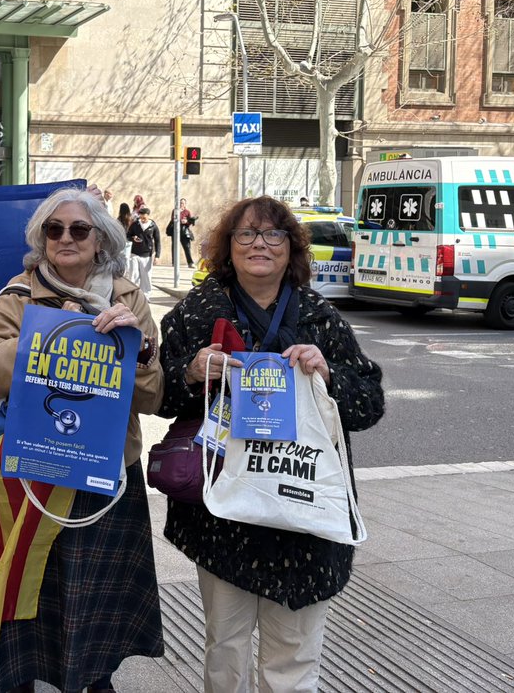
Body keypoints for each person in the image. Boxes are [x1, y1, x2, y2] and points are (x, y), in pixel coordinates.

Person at [158, 196, 385, 692]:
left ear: (291, 249)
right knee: (226, 648)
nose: (259, 244)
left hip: (302, 515)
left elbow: (369, 404)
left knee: (294, 658)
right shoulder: (196, 313)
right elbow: (158, 394)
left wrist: (327, 372)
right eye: (246, 234)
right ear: (228, 247)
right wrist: (193, 372)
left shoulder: (320, 317)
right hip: (225, 512)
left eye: (273, 235)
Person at [0, 187, 164, 693]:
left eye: (79, 229)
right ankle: (15, 679)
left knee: (93, 601)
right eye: (54, 229)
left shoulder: (128, 299)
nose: (65, 238)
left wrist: (136, 352)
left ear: (100, 238)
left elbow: (152, 396)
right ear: (41, 237)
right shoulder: (17, 293)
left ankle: (93, 679)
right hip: (36, 473)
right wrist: (51, 338)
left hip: (105, 475)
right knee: (28, 592)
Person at [127, 205, 160, 298]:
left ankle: (146, 296)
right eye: (141, 218)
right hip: (134, 254)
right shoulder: (135, 224)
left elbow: (158, 241)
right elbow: (128, 235)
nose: (142, 220)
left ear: (148, 216)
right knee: (133, 275)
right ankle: (134, 296)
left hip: (147, 255)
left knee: (146, 277)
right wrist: (133, 238)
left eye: (144, 218)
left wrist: (157, 256)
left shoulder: (153, 226)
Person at [171, 197, 195, 266]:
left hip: (184, 231)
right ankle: (174, 262)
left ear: (185, 204)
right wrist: (180, 220)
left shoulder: (187, 212)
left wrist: (187, 221)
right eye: (180, 203)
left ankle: (190, 263)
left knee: (187, 247)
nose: (181, 204)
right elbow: (173, 220)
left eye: (183, 203)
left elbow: (190, 221)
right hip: (175, 231)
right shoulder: (175, 211)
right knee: (174, 247)